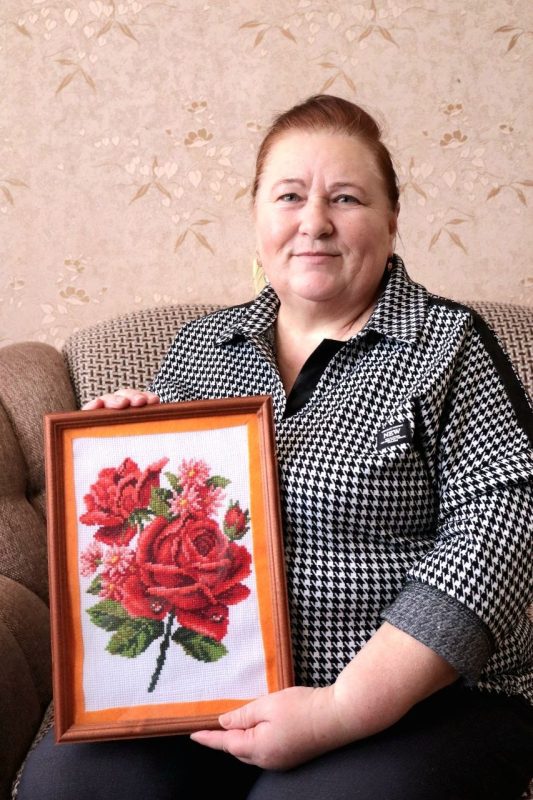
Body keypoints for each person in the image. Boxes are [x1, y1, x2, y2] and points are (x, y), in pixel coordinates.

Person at [17, 95, 532, 800]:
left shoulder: (448, 346)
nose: (314, 222)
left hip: (420, 705)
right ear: (257, 216)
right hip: (206, 692)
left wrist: (342, 708)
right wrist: (125, 447)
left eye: (346, 198)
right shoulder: (205, 346)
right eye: (289, 196)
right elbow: (159, 524)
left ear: (391, 221)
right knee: (69, 787)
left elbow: (499, 534)